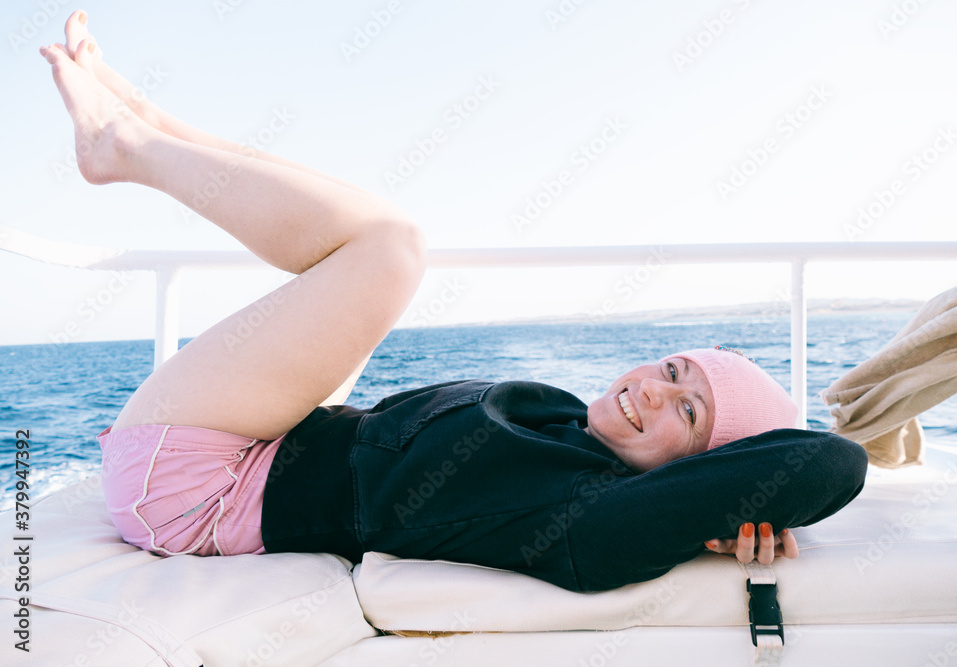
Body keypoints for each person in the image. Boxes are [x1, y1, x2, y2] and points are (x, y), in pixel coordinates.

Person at [42, 11, 868, 592]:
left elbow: (833, 460)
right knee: (356, 239)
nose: (655, 389)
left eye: (688, 413)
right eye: (677, 370)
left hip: (198, 486)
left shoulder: (587, 514)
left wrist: (735, 504)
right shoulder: (565, 422)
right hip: (279, 441)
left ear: (697, 468)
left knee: (392, 248)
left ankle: (125, 147)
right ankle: (147, 124)